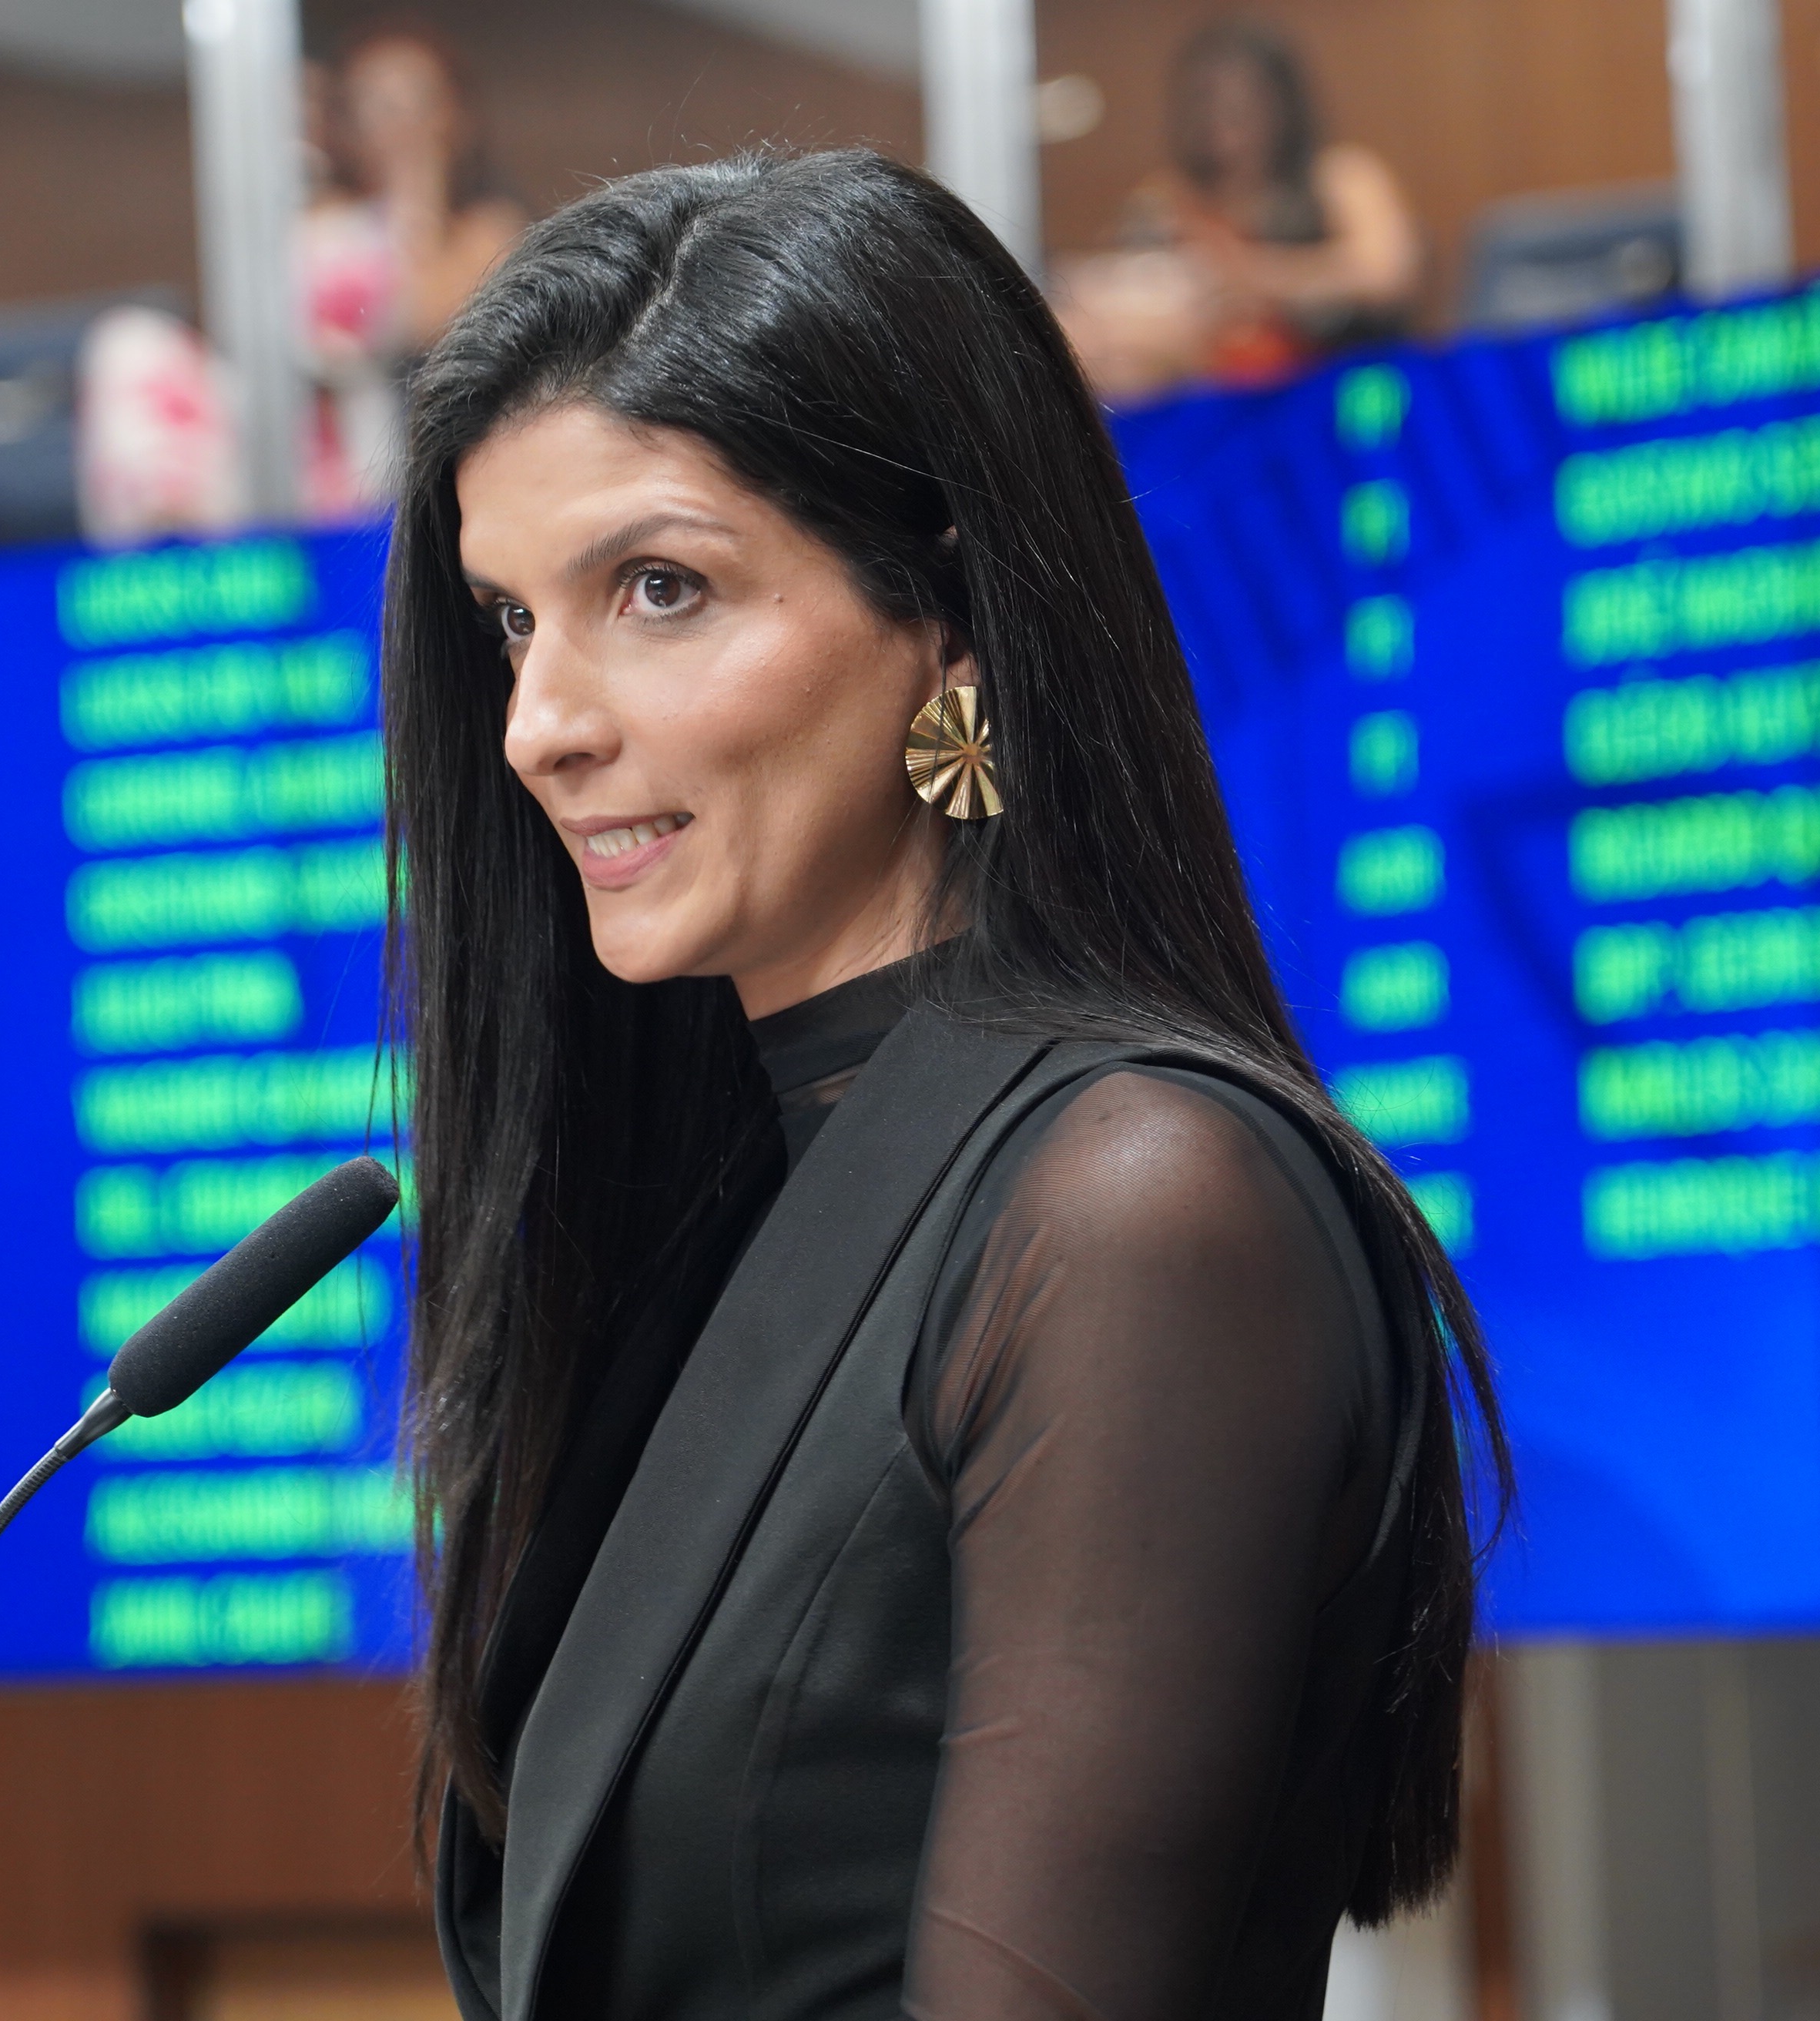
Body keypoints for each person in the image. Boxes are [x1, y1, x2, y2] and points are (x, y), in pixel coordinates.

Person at [387, 149, 1507, 2021]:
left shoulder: (1132, 1199)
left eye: (658, 588)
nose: (540, 723)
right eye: (510, 617)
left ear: (950, 619)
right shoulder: (711, 1207)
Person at [78, 25, 521, 540]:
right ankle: (169, 534)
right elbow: (234, 324)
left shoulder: (484, 229)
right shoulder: (322, 225)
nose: (394, 124)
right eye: (373, 106)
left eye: (414, 102)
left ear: (456, 115)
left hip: (359, 433)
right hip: (259, 422)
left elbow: (425, 321)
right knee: (129, 343)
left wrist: (417, 183)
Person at [1056, 21, 1421, 401]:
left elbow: (1385, 274)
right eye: (1208, 102)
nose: (1224, 121)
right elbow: (1125, 284)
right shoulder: (1169, 196)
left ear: (1282, 103)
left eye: (1243, 104)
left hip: (1334, 387)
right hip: (1212, 391)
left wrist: (1255, 277)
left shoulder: (1340, 176)